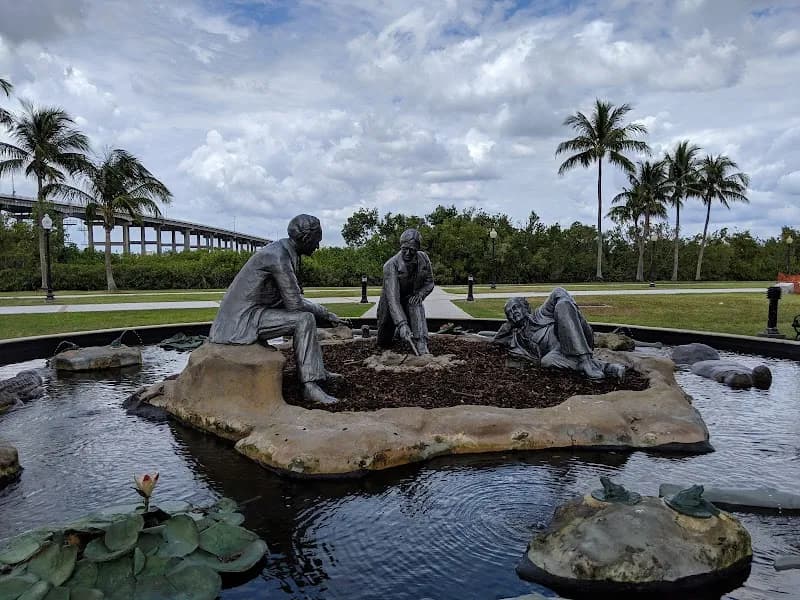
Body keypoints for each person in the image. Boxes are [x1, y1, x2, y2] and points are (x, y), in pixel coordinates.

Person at [209, 214, 350, 404]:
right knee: (304, 320)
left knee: (305, 318)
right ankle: (310, 386)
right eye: (317, 241)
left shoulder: (286, 251)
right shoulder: (278, 256)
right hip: (240, 322)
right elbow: (295, 304)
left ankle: (317, 371)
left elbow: (286, 298)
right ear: (307, 239)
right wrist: (326, 313)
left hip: (254, 313)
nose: (318, 246)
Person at [493, 288, 625, 380]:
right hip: (560, 354)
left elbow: (559, 291)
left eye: (515, 308)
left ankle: (585, 361)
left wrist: (571, 313)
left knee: (562, 306)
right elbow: (495, 341)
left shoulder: (541, 313)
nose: (513, 313)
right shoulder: (518, 338)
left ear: (525, 307)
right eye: (509, 313)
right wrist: (509, 324)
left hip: (581, 337)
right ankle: (605, 367)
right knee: (546, 361)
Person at [377, 228, 435, 355]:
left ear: (417, 249)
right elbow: (393, 299)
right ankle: (398, 332)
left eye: (412, 250)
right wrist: (402, 324)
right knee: (383, 342)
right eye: (405, 249)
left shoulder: (424, 259)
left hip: (410, 298)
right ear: (401, 246)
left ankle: (422, 343)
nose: (408, 253)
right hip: (390, 305)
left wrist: (420, 294)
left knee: (416, 303)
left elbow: (430, 282)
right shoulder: (390, 265)